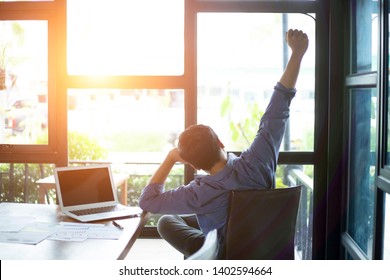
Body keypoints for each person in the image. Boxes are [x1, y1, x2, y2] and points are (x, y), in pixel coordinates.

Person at [139, 29, 309, 258]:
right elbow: (279, 106)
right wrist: (297, 53)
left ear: (194, 165)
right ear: (219, 141)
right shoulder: (259, 160)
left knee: (167, 221)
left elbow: (147, 202)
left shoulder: (199, 193)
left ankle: (207, 254)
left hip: (226, 255)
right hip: (267, 248)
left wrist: (170, 158)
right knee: (195, 214)